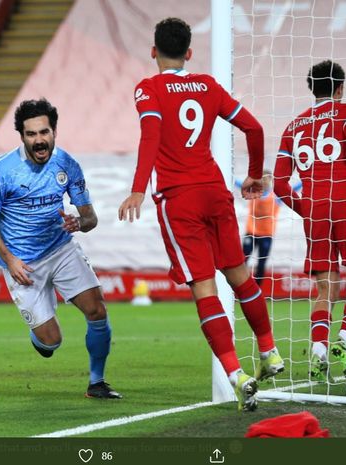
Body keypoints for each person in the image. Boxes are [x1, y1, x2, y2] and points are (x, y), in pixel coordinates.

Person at [118, 18, 283, 411]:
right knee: (241, 276)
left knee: (204, 289)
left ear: (153, 51)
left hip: (180, 199)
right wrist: (254, 174)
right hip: (215, 192)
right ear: (189, 52)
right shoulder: (208, 85)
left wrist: (139, 188)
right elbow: (254, 127)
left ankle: (235, 373)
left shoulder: (149, 88)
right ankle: (269, 350)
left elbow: (152, 135)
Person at [0, 98, 121, 399]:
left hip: (60, 248)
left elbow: (90, 218)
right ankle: (40, 331)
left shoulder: (67, 165)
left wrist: (78, 223)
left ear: (54, 131)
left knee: (97, 310)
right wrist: (9, 259)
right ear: (22, 136)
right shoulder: (3, 171)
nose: (39, 140)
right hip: (22, 263)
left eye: (44, 132)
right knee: (50, 342)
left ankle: (97, 382)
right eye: (31, 134)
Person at [274, 60, 346, 384]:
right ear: (339, 88)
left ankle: (318, 351)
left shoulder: (293, 126)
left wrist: (307, 209)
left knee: (325, 288)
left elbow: (278, 185)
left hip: (315, 210)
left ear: (311, 88)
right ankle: (343, 341)